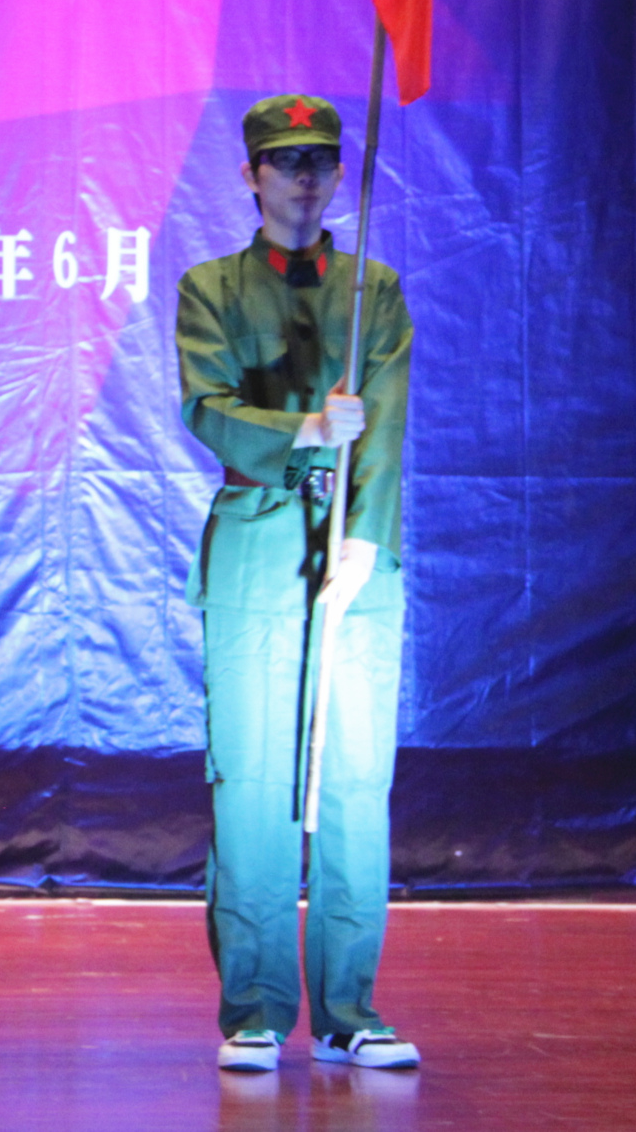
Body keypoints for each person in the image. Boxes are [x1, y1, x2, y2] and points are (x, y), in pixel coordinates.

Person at [175, 94, 416, 1073]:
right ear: (252, 175)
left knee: (354, 777)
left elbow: (386, 423)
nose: (305, 177)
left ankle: (350, 1009)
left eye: (320, 160)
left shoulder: (375, 291)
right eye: (286, 160)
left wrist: (364, 537)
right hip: (257, 548)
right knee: (252, 779)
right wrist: (307, 429)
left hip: (356, 550)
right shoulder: (210, 287)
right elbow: (208, 405)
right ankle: (256, 1007)